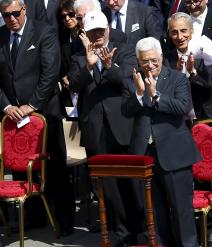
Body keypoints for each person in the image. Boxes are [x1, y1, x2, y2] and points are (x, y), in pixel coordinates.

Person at [0, 0, 75, 236]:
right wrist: (6, 106)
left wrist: (31, 105)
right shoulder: (0, 36)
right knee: (21, 169)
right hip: (13, 114)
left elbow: (50, 72)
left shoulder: (44, 32)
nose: (11, 19)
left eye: (15, 13)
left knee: (54, 167)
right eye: (6, 15)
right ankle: (34, 218)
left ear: (24, 10)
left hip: (44, 111)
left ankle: (64, 221)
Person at [68, 10, 140, 246]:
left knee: (130, 180)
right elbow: (75, 86)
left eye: (100, 30)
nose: (97, 35)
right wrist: (89, 67)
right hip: (95, 127)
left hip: (122, 124)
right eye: (92, 32)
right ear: (86, 34)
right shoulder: (79, 57)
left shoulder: (125, 49)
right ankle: (119, 231)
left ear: (108, 29)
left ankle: (138, 227)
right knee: (106, 184)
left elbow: (127, 83)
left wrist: (109, 66)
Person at [122, 36, 201, 247]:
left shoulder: (177, 78)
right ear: (138, 61)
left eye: (154, 60)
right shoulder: (132, 81)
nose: (150, 65)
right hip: (144, 153)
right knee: (153, 210)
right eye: (145, 61)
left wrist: (155, 95)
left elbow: (183, 107)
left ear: (161, 57)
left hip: (173, 152)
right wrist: (139, 94)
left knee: (181, 208)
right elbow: (126, 111)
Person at [165, 12, 212, 119]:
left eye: (183, 31)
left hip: (204, 116)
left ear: (192, 30)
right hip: (177, 120)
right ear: (170, 34)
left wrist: (193, 72)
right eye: (174, 32)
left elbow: (211, 83)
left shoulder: (205, 51)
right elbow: (164, 92)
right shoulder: (166, 59)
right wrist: (177, 74)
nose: (180, 37)